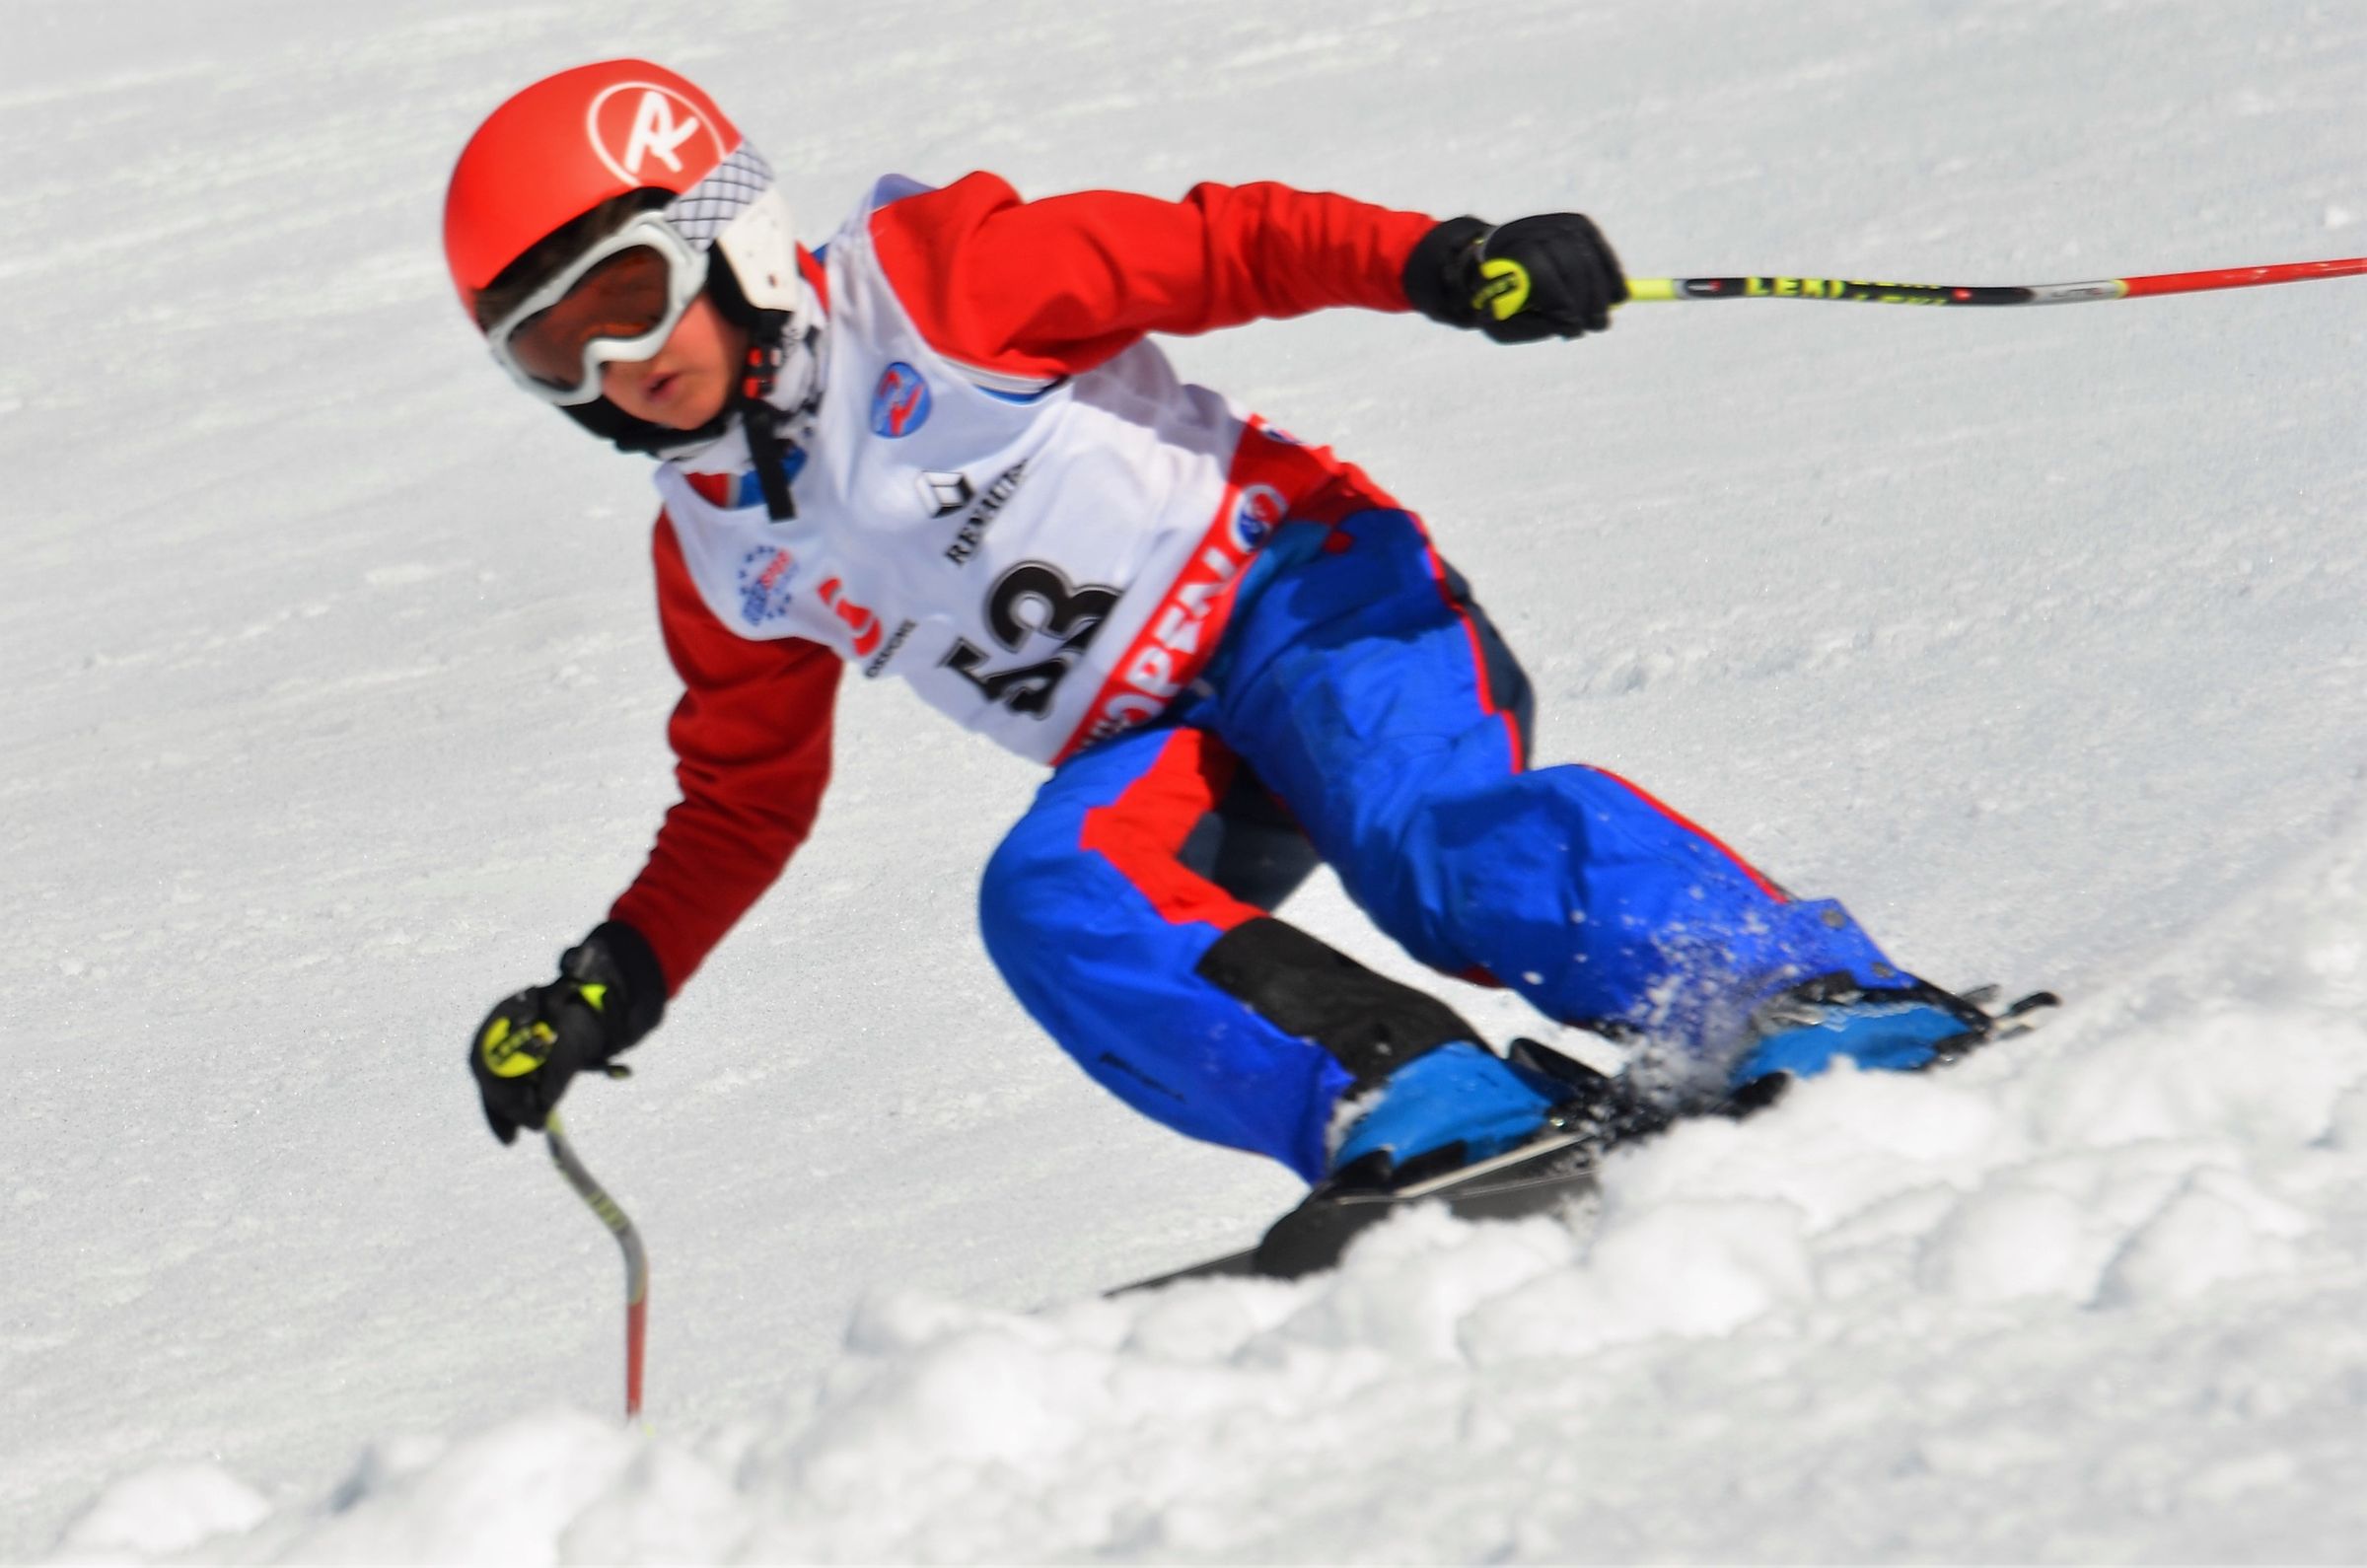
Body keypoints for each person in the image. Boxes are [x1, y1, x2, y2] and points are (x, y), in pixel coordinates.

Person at [452, 60, 1995, 1200]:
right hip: (1168, 751)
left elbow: (1225, 246)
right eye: (553, 351)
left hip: (1306, 602)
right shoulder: (717, 546)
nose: (614, 366)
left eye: (628, 296)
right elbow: (744, 796)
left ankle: (1790, 990)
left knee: (1421, 844)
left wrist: (1443, 261)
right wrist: (614, 980)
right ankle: (1415, 1095)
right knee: (1051, 894)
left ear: (731, 232)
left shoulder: (934, 287)